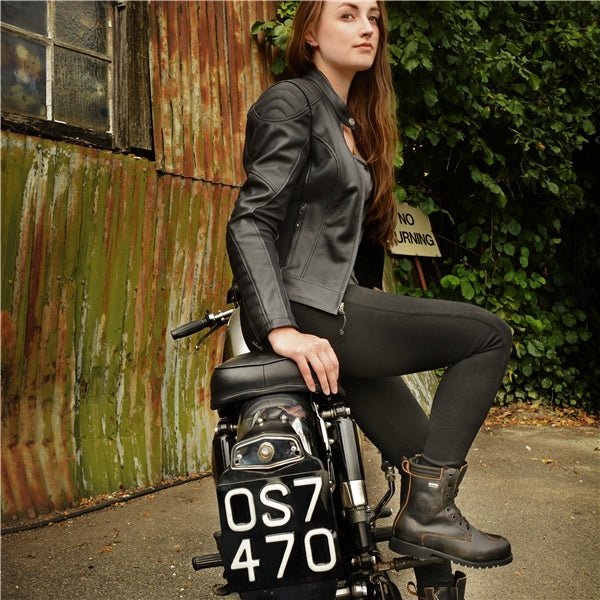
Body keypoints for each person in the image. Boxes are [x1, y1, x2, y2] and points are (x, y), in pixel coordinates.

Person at [226, 1, 513, 598]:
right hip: (307, 308)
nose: (366, 28)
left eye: (374, 18)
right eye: (348, 15)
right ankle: (428, 515)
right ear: (310, 33)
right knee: (488, 336)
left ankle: (435, 578)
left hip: (331, 303)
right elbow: (251, 220)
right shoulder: (291, 102)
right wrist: (281, 328)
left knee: (422, 461)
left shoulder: (351, 122)